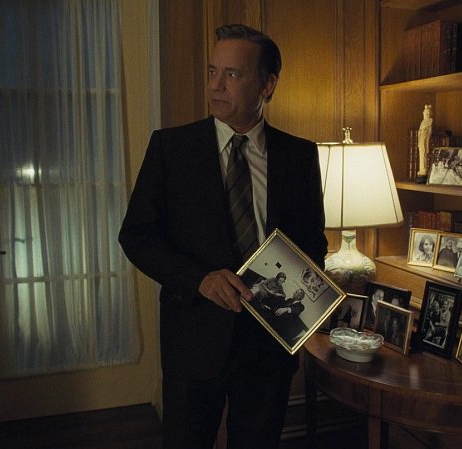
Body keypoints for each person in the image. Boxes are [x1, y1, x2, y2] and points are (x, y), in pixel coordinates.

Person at [118, 24, 327, 449]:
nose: (215, 85)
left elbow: (312, 244)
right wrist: (200, 278)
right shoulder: (170, 149)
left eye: (232, 74)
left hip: (269, 346)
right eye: (213, 71)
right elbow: (137, 235)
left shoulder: (299, 155)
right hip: (194, 341)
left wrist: (309, 301)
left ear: (267, 85)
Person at [416, 104, 433, 181]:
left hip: (425, 139)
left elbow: (429, 133)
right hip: (421, 138)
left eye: (428, 114)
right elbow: (420, 131)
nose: (427, 115)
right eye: (426, 114)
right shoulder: (423, 122)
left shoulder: (430, 121)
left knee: (424, 154)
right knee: (421, 154)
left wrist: (427, 141)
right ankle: (421, 169)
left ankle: (424, 170)